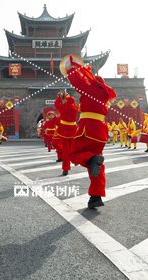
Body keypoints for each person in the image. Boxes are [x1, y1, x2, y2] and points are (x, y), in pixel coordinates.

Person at [65, 56, 116, 209]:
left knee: (74, 153)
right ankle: (96, 196)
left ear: (95, 83)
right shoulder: (104, 94)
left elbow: (78, 83)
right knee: (96, 165)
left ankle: (93, 159)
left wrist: (70, 69)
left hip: (88, 129)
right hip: (100, 133)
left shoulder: (92, 90)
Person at [52, 90, 77, 176]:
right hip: (73, 129)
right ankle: (75, 160)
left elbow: (56, 104)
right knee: (73, 148)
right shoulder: (75, 108)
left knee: (65, 151)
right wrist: (68, 97)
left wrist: (59, 97)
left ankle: (65, 169)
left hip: (64, 130)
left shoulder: (63, 107)